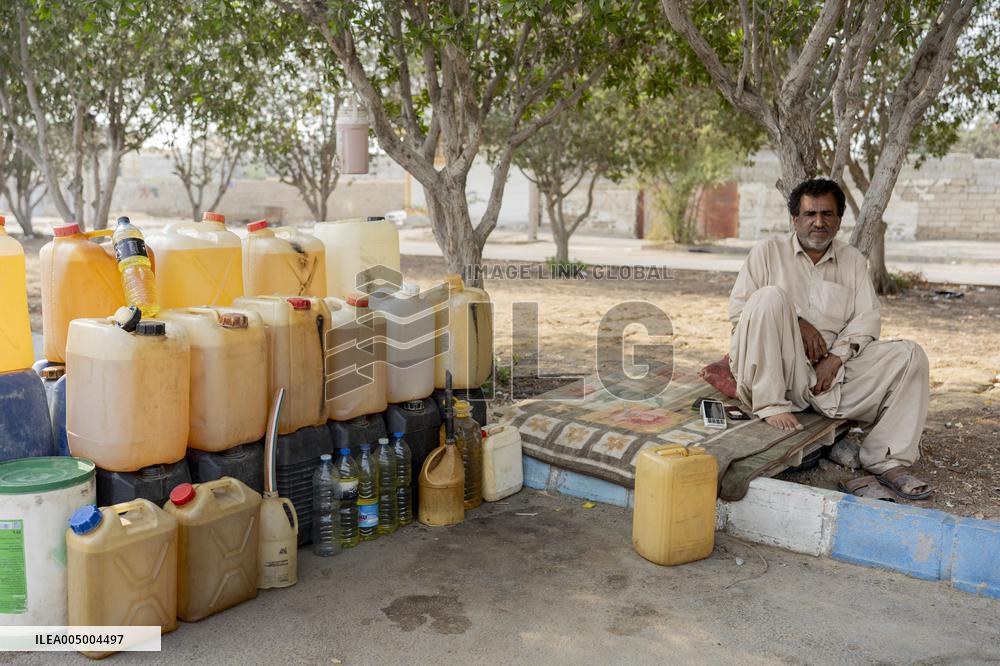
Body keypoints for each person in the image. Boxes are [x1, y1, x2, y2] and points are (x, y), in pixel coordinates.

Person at [727, 178, 932, 501]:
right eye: (810, 214)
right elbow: (741, 314)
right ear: (795, 219)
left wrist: (836, 358)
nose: (818, 222)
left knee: (910, 355)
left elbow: (867, 319)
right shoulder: (767, 252)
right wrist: (796, 321)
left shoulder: (851, 260)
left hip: (830, 378)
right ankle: (769, 406)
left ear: (838, 220)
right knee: (767, 297)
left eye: (827, 214)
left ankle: (885, 457)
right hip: (779, 371)